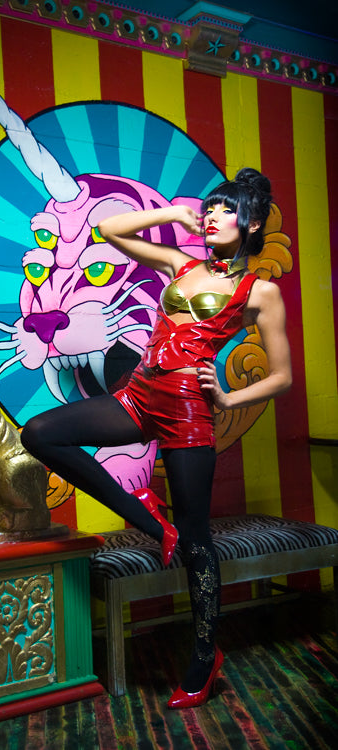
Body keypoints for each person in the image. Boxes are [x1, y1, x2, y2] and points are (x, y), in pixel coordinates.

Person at [21, 168, 292, 708]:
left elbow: (283, 376)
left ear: (252, 224)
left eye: (227, 209)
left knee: (196, 539)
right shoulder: (178, 264)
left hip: (189, 411)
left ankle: (204, 656)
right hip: (138, 395)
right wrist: (172, 214)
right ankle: (150, 521)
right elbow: (109, 229)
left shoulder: (260, 291)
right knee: (41, 433)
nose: (213, 216)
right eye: (211, 207)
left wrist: (227, 399)